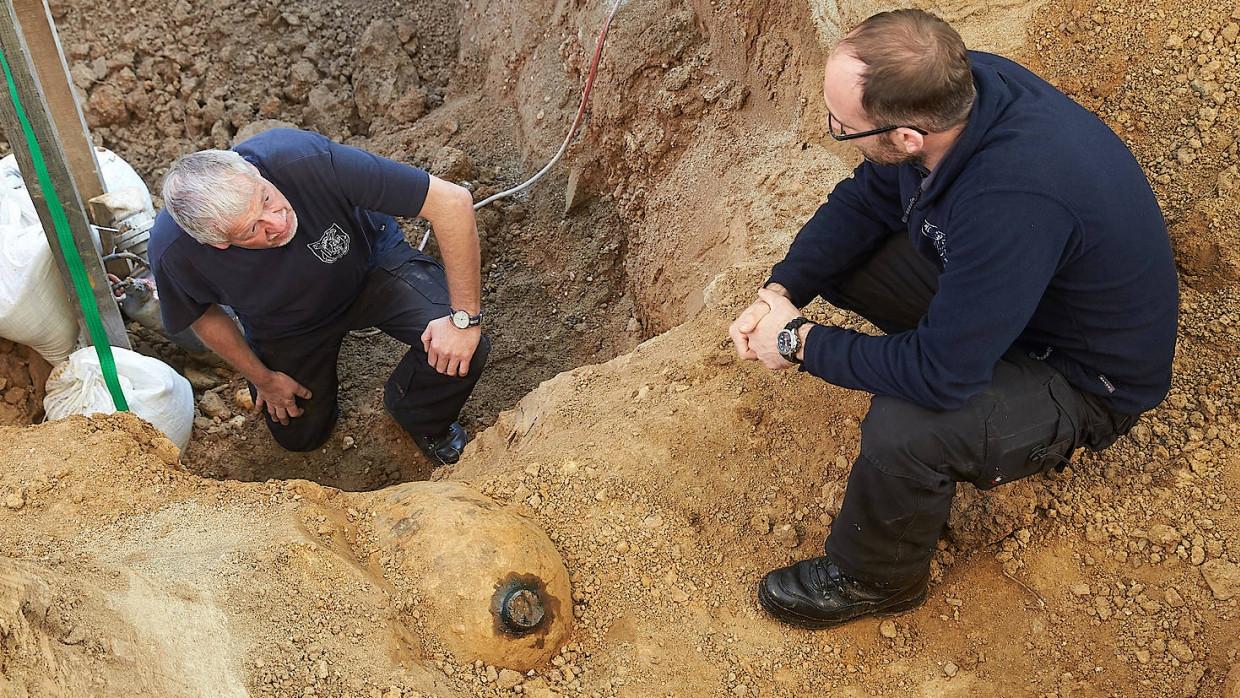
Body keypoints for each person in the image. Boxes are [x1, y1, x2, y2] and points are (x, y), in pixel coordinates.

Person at [729, 9, 1178, 629]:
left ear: (909, 136)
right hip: (1022, 300)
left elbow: (941, 377)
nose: (832, 128)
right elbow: (867, 198)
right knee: (843, 258)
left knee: (908, 422)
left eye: (843, 126)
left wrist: (797, 341)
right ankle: (965, 337)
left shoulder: (1010, 200)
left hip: (1082, 377)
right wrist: (782, 290)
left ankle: (876, 578)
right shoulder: (964, 93)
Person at [149, 128, 488, 465]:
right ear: (218, 242)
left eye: (266, 199)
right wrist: (264, 379)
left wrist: (464, 319)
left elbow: (451, 202)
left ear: (252, 171)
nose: (278, 221)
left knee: (463, 351)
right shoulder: (173, 251)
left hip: (371, 268)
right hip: (285, 324)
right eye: (252, 229)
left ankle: (417, 413)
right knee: (299, 435)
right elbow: (201, 314)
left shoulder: (302, 159)